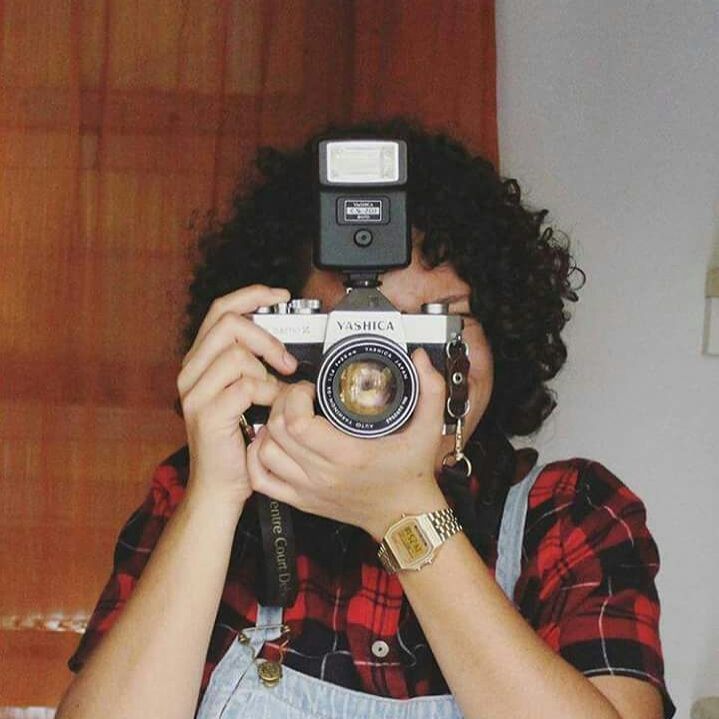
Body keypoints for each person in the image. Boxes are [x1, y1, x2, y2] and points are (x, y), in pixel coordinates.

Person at [56, 119, 675, 719]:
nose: (389, 366)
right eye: (352, 333)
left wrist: (404, 513)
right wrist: (216, 496)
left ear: (502, 332)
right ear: (280, 343)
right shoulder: (203, 489)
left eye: (437, 317)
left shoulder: (570, 514)